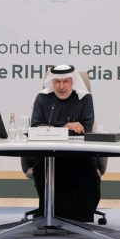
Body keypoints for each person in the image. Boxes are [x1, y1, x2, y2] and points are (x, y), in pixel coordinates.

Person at [30, 64, 100, 222]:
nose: (61, 86)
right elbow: (35, 127)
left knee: (88, 168)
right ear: (51, 82)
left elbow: (86, 128)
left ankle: (81, 218)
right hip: (47, 151)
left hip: (78, 153)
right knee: (41, 166)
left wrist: (51, 128)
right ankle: (49, 214)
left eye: (65, 82)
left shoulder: (84, 98)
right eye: (57, 82)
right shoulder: (42, 98)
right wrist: (66, 126)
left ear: (72, 82)